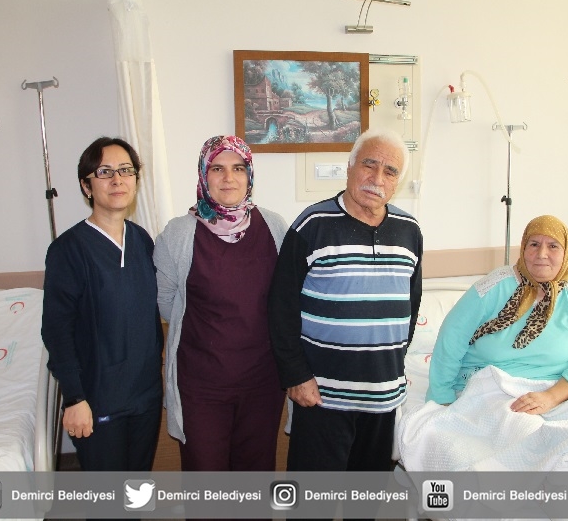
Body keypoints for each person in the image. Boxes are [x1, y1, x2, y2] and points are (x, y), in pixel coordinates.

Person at [268, 128, 423, 472]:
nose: (377, 178)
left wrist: (389, 365)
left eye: (390, 171)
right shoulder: (312, 224)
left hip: (382, 398)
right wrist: (296, 375)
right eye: (369, 164)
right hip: (322, 397)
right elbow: (281, 308)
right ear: (350, 167)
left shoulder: (409, 230)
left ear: (398, 181)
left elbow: (410, 308)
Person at [153, 135, 287, 471]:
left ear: (249, 175)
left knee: (255, 474)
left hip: (262, 381)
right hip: (201, 385)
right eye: (217, 168)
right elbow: (166, 302)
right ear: (203, 174)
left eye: (238, 168)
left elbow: (286, 299)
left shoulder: (275, 227)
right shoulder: (178, 234)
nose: (229, 178)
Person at [41, 136, 163, 471]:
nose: (117, 179)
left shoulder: (141, 240)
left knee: (137, 489)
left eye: (126, 170)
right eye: (104, 172)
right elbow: (56, 331)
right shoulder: (68, 250)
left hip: (145, 396)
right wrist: (74, 398)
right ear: (86, 186)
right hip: (97, 399)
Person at [426, 214, 568, 411]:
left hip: (557, 393)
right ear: (523, 248)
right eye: (534, 244)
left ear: (566, 253)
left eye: (553, 246)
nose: (542, 254)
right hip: (492, 389)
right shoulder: (492, 288)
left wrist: (550, 398)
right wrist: (442, 397)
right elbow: (451, 340)